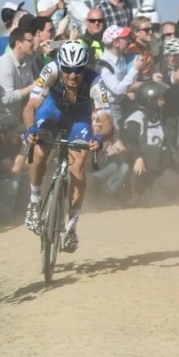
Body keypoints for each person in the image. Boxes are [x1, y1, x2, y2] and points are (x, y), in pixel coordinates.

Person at [23, 41, 112, 252]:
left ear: (85, 68)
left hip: (79, 118)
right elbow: (30, 107)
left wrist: (100, 138)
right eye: (68, 70)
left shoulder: (95, 82)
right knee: (39, 150)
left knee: (78, 166)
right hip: (51, 111)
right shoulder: (50, 70)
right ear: (60, 65)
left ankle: (72, 225)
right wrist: (30, 129)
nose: (73, 75)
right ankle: (35, 199)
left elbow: (108, 122)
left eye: (78, 70)